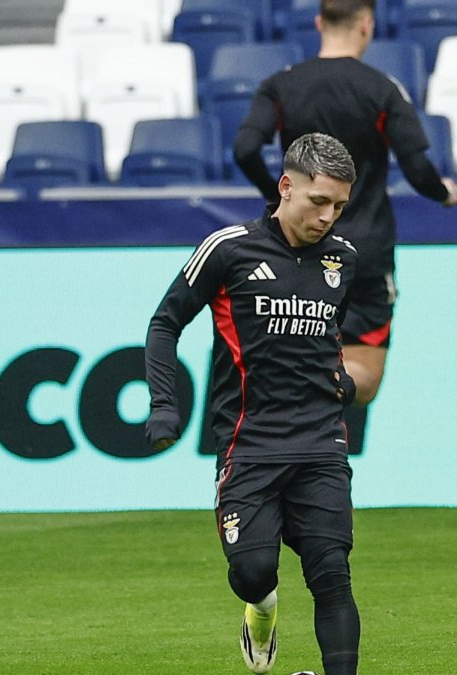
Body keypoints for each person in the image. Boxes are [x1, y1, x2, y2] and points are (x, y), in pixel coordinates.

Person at [146, 133, 361, 675]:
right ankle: (261, 610)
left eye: (339, 206)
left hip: (320, 442)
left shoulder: (344, 259)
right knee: (253, 571)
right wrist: (163, 405)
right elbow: (164, 323)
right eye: (319, 202)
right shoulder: (229, 248)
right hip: (250, 443)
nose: (328, 216)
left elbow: (337, 342)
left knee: (332, 571)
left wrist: (345, 383)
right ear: (286, 187)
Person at [234, 0, 457, 411]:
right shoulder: (382, 88)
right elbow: (417, 167)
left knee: (291, 343)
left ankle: (291, 386)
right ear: (367, 25)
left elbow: (246, 148)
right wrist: (443, 194)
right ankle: (319, 388)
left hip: (299, 246)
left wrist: (278, 196)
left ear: (319, 22)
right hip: (365, 251)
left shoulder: (280, 85)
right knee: (364, 377)